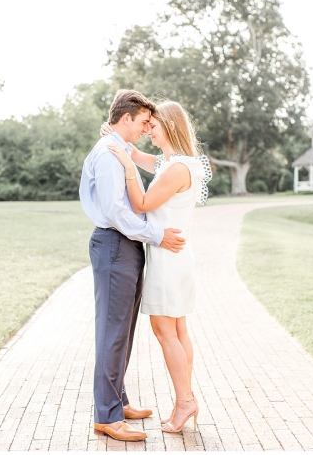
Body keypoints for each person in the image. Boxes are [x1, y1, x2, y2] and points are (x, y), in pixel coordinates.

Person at [79, 89, 186, 442]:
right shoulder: (110, 155)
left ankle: (117, 400)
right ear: (126, 119)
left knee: (122, 331)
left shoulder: (120, 149)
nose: (145, 129)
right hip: (115, 245)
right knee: (112, 332)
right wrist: (156, 235)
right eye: (142, 122)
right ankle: (107, 415)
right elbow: (117, 212)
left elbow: (141, 162)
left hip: (126, 247)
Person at [104, 100, 212, 434]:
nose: (148, 130)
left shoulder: (177, 169)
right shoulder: (175, 163)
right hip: (175, 257)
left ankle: (185, 402)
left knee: (166, 332)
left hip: (168, 259)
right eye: (146, 124)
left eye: (153, 125)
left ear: (170, 126)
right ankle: (185, 399)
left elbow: (142, 203)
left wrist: (126, 166)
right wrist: (119, 140)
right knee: (178, 331)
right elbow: (139, 156)